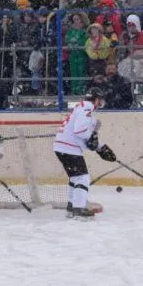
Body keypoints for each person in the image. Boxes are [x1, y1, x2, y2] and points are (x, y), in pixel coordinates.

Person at [53, 88, 117, 218]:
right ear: (96, 99)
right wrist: (92, 139)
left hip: (61, 147)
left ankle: (72, 207)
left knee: (75, 178)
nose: (101, 104)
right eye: (100, 101)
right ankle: (78, 209)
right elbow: (80, 131)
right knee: (83, 178)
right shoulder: (87, 107)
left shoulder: (81, 108)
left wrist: (100, 148)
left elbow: (84, 138)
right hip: (68, 148)